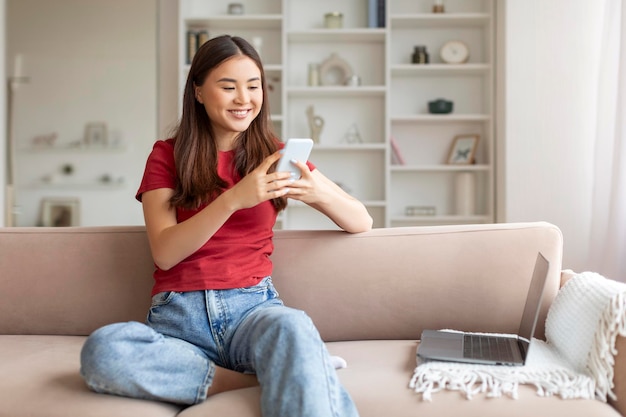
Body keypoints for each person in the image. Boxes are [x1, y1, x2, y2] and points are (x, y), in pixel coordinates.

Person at [79, 34, 372, 416]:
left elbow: (361, 220)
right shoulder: (167, 155)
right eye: (228, 86)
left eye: (253, 86)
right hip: (178, 321)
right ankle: (260, 377)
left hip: (253, 310)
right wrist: (234, 199)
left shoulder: (273, 154)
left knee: (294, 328)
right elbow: (166, 252)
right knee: (104, 351)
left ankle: (288, 365)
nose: (243, 99)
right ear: (198, 91)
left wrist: (315, 191)